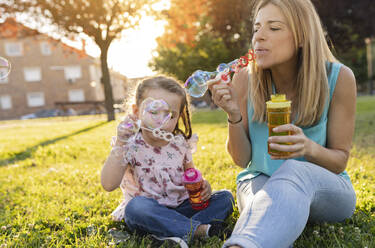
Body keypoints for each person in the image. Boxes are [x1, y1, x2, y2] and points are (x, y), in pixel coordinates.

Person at [208, 0, 357, 247]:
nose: (260, 37)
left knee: (293, 171)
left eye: (274, 28)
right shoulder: (244, 78)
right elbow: (241, 160)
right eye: (257, 28)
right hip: (259, 180)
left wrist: (308, 148)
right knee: (265, 198)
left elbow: (339, 160)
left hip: (325, 187)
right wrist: (233, 114)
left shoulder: (339, 78)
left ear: (301, 36)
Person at [101, 75, 234, 247]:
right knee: (135, 208)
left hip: (182, 207)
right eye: (154, 112)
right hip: (148, 212)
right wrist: (120, 144)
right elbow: (108, 184)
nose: (161, 122)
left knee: (225, 197)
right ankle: (200, 230)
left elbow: (191, 178)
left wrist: (203, 187)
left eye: (170, 115)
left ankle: (171, 231)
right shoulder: (130, 144)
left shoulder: (180, 144)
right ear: (136, 111)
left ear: (179, 116)